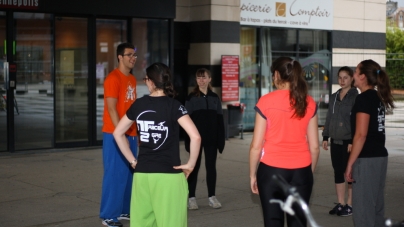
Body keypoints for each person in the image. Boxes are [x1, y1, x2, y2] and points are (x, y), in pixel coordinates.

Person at [113, 62, 201, 227]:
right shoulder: (174, 106)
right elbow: (195, 137)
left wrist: (133, 161)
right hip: (168, 176)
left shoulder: (139, 105)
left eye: (146, 79)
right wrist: (190, 164)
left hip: (142, 176)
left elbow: (118, 133)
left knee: (142, 223)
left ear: (151, 82)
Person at [249, 57, 320, 227]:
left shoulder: (266, 101)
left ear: (276, 75)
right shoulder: (308, 102)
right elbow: (315, 147)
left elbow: (256, 146)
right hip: (301, 171)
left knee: (273, 222)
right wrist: (307, 172)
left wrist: (252, 175)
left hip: (271, 171)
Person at [345, 59, 395, 227]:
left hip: (367, 160)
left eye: (355, 71)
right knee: (376, 209)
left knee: (363, 211)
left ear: (362, 76)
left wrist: (350, 164)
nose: (353, 74)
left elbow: (361, 135)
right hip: (379, 157)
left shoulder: (364, 99)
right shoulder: (376, 97)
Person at [100, 42, 138, 227]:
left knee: (129, 174)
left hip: (131, 134)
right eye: (129, 54)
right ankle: (109, 216)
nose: (133, 58)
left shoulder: (131, 79)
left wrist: (135, 133)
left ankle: (124, 210)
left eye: (135, 55)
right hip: (114, 134)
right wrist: (120, 133)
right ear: (120, 57)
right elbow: (112, 109)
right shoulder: (112, 79)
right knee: (114, 175)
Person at [184, 68, 225, 210]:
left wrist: (221, 140)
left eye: (204, 77)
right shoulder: (191, 98)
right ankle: (191, 198)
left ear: (209, 79)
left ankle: (212, 197)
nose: (201, 80)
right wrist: (188, 141)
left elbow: (220, 120)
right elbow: (185, 121)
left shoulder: (215, 98)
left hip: (211, 139)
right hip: (196, 140)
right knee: (194, 168)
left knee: (211, 168)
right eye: (198, 78)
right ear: (196, 80)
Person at [322, 66, 358, 216]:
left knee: (349, 173)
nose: (342, 81)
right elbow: (329, 117)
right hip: (335, 140)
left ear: (351, 79)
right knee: (338, 171)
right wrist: (325, 136)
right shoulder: (334, 97)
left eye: (346, 78)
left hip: (348, 141)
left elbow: (356, 120)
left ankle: (350, 203)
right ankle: (341, 203)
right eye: (340, 77)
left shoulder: (356, 97)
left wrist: (352, 140)